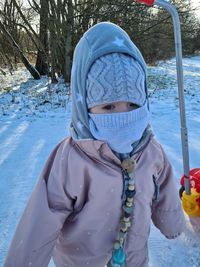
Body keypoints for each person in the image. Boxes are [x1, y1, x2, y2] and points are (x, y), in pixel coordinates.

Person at [4, 22, 185, 267]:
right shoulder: (71, 159)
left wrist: (172, 222)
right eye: (108, 107)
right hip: (81, 260)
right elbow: (41, 217)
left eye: (132, 105)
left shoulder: (150, 150)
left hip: (135, 258)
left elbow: (164, 188)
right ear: (85, 107)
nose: (123, 116)